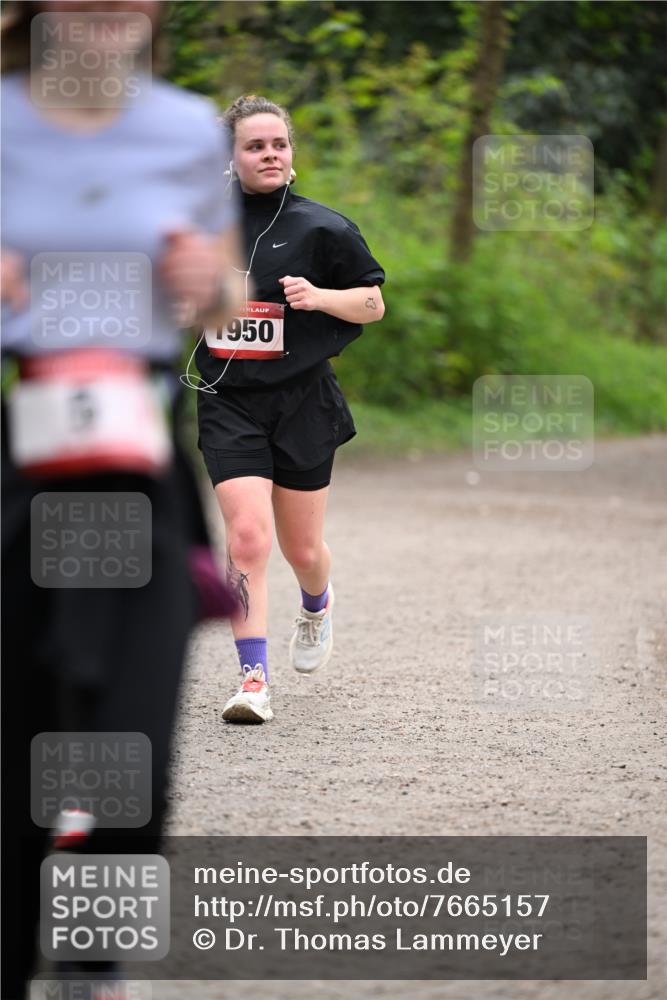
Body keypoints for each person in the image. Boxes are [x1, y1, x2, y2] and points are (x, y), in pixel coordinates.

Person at [0, 3, 242, 995]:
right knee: (19, 745)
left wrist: (210, 286)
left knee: (133, 747)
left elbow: (226, 294)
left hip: (140, 467)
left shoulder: (188, 129)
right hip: (23, 459)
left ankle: (95, 969)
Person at [193, 94, 386, 724]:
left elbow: (372, 305)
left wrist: (321, 296)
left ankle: (316, 602)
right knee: (248, 538)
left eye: (279, 144)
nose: (270, 154)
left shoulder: (323, 227)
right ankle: (253, 679)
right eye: (255, 145)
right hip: (228, 400)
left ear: (292, 156)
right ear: (231, 157)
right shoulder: (201, 226)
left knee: (303, 550)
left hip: (304, 401)